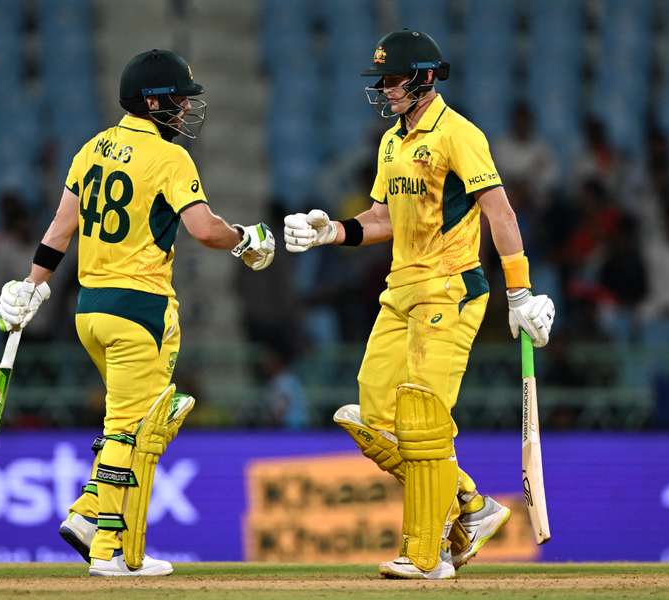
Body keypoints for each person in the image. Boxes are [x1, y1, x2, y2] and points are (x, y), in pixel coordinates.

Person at [284, 30, 555, 579]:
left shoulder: (459, 134)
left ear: (425, 78)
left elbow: (500, 212)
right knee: (372, 418)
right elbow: (383, 218)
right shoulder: (390, 143)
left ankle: (427, 555)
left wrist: (520, 290)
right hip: (400, 291)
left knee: (423, 421)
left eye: (392, 79)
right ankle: (471, 506)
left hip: (450, 290)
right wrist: (330, 232)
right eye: (381, 80)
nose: (384, 89)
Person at [0, 49, 275, 577]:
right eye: (179, 100)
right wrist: (246, 239)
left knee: (133, 420)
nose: (186, 110)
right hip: (139, 310)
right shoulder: (170, 159)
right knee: (133, 430)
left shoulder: (92, 148)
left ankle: (86, 514)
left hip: (89, 313)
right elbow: (204, 229)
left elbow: (59, 232)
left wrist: (31, 287)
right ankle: (113, 553)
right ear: (153, 100)